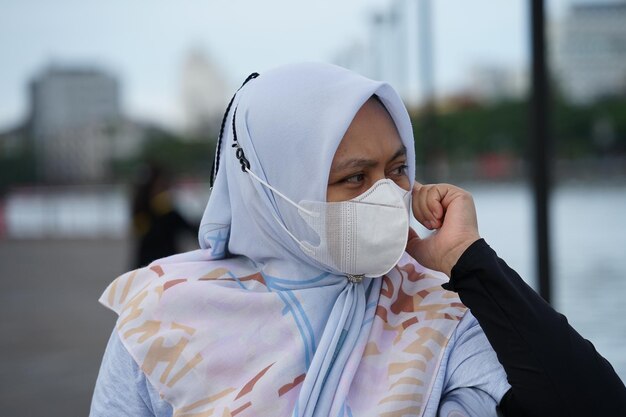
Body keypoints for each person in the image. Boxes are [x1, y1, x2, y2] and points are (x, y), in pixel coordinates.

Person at [90, 63, 626, 417]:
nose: (385, 195)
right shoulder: (163, 316)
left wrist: (470, 261)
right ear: (272, 187)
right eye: (353, 177)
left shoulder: (438, 311)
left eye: (396, 170)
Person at [130, 163, 197, 268]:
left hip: (146, 262)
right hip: (164, 261)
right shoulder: (164, 209)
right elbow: (189, 228)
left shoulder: (140, 205)